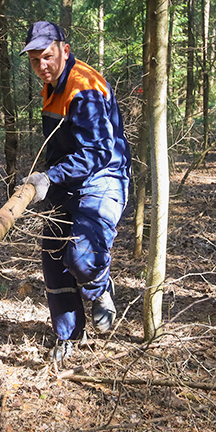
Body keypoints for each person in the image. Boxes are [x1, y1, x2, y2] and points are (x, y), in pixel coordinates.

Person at [20, 21, 132, 363]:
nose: (42, 65)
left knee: (82, 258)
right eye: (36, 59)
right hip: (66, 181)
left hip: (102, 178)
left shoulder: (84, 87)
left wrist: (50, 177)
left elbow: (98, 151)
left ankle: (100, 287)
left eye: (48, 57)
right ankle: (68, 336)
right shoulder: (51, 85)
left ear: (64, 51)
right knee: (54, 259)